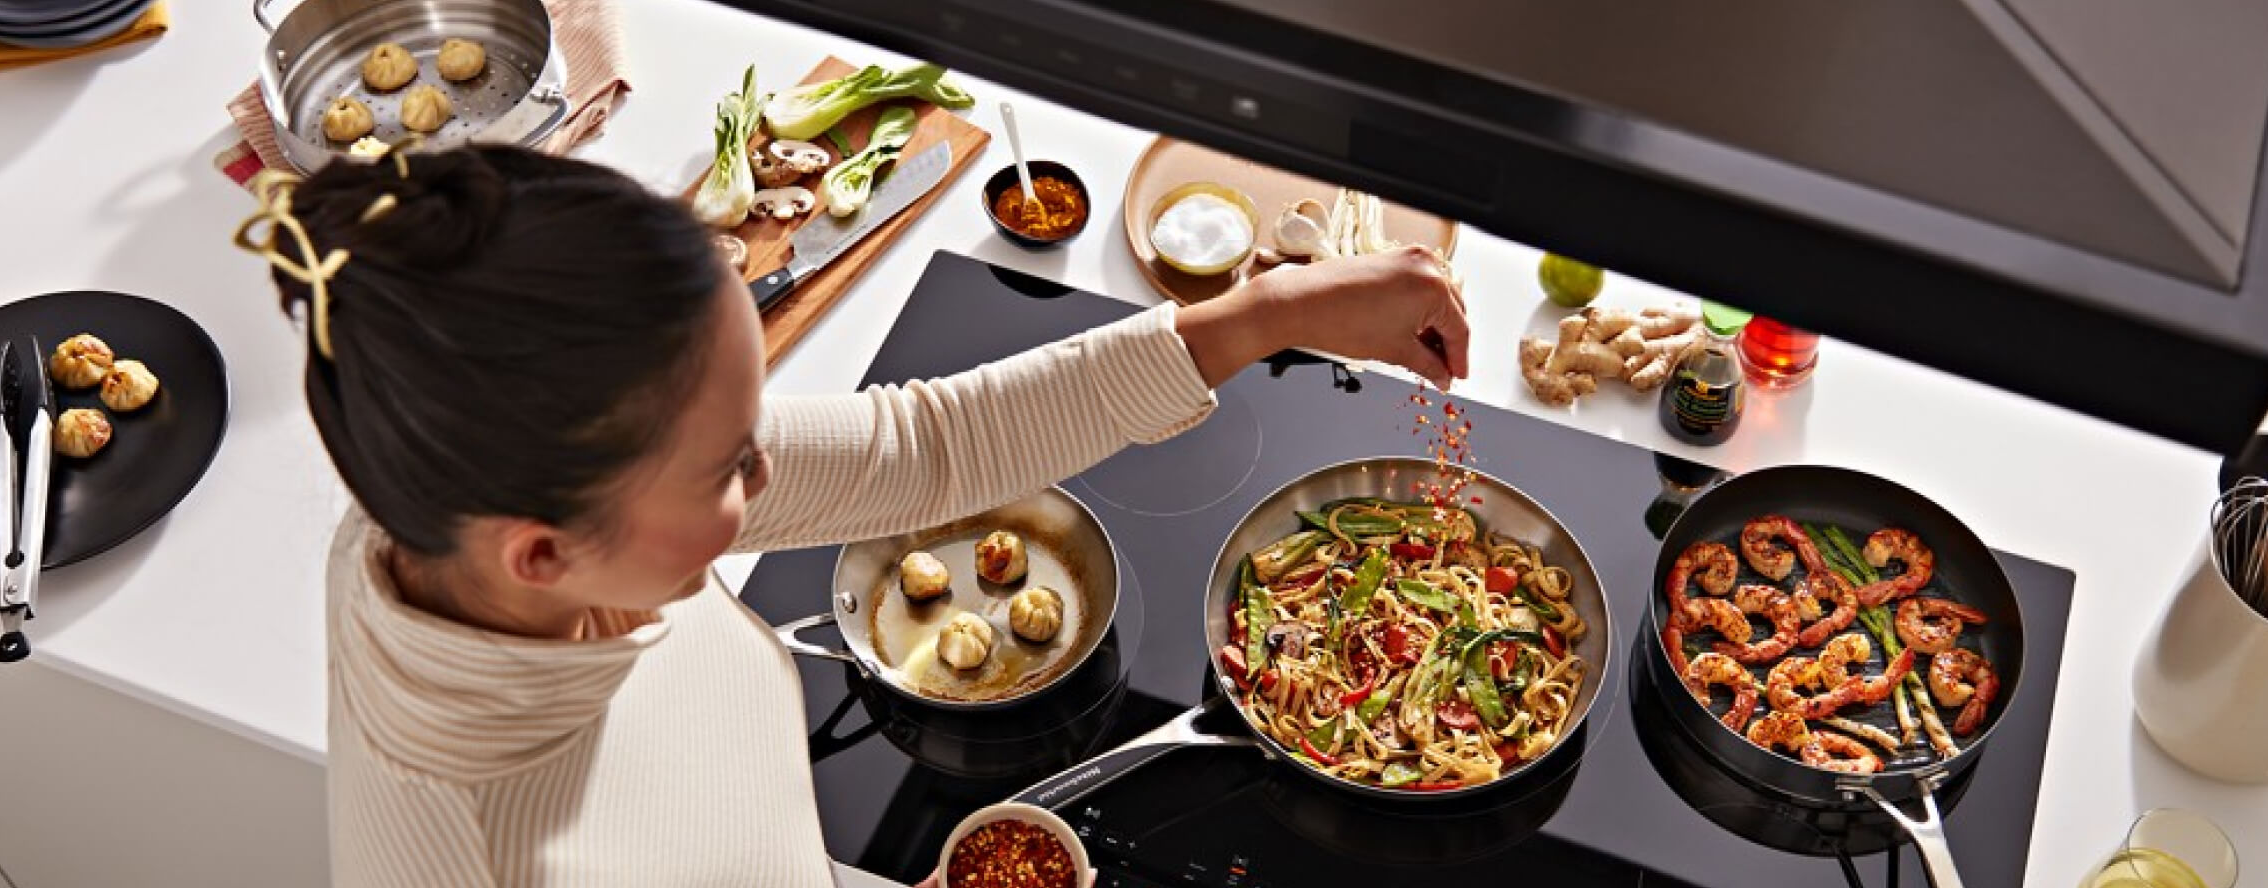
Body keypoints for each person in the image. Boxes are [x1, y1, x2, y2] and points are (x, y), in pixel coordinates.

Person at [233, 144, 1470, 887]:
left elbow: (918, 446)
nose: (768, 479)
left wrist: (1264, 317)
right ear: (545, 551)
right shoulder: (490, 850)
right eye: (728, 469)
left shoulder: (457, 510)